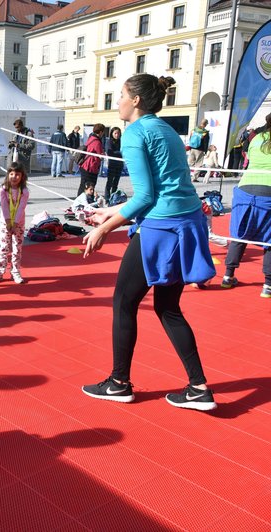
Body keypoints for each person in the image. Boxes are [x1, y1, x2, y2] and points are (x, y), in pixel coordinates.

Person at [81, 74, 217, 411]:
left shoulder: (135, 133)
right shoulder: (167, 130)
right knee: (167, 307)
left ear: (136, 101)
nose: (118, 101)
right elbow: (159, 190)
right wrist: (109, 212)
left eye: (122, 94)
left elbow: (144, 197)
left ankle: (118, 382)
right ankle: (198, 387)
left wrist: (104, 229)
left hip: (161, 228)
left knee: (124, 302)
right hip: (185, 222)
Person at [221, 112, 271, 298]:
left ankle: (227, 276)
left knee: (239, 235)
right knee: (270, 239)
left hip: (246, 188)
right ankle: (268, 285)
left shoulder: (257, 138)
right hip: (268, 190)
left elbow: (249, 158)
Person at [0, 162, 29, 285]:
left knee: (17, 247)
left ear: (22, 176)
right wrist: (8, 223)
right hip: (5, 223)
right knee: (4, 248)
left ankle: (15, 271)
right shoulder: (3, 189)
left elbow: (21, 207)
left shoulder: (24, 191)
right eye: (11, 174)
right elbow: (4, 206)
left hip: (19, 223)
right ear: (8, 175)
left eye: (17, 174)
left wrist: (16, 224)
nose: (14, 177)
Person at [77, 123, 105, 196]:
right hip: (90, 167)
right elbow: (100, 155)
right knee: (89, 186)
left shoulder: (91, 138)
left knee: (83, 185)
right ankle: (82, 201)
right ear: (101, 132)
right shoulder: (97, 142)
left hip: (85, 165)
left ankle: (80, 200)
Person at [104, 127, 124, 202]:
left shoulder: (121, 141)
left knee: (116, 182)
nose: (117, 135)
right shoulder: (109, 141)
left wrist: (120, 153)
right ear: (112, 134)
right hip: (112, 163)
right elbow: (110, 152)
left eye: (118, 133)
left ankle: (113, 197)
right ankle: (106, 198)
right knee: (109, 181)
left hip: (120, 164)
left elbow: (124, 151)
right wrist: (120, 153)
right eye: (115, 133)